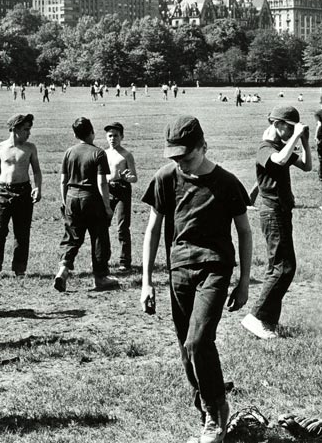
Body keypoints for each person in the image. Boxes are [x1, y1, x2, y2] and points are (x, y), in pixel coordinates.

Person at [140, 115, 252, 443]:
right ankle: (206, 415)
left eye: (187, 157)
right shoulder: (165, 179)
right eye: (175, 158)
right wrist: (147, 281)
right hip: (179, 272)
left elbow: (244, 232)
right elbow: (152, 230)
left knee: (198, 341)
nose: (182, 164)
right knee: (185, 348)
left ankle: (217, 414)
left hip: (215, 269)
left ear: (204, 147)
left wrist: (243, 281)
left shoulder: (227, 183)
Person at [242, 105, 311, 340]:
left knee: (278, 267)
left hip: (282, 212)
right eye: (289, 127)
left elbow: (307, 165)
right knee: (285, 268)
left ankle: (268, 322)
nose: (292, 132)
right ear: (277, 124)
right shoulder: (266, 148)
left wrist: (305, 141)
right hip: (272, 213)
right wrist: (296, 137)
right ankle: (257, 317)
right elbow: (279, 161)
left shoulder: (282, 145)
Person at [54, 118, 116, 292]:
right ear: (92, 132)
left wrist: (65, 201)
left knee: (72, 236)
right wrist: (107, 206)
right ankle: (100, 277)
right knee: (99, 237)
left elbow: (63, 180)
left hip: (72, 197)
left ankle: (63, 270)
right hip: (92, 199)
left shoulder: (69, 152)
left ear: (75, 134)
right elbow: (102, 182)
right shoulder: (99, 153)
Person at [0, 114, 42, 280]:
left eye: (29, 129)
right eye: (26, 129)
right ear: (15, 129)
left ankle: (19, 268)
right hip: (3, 192)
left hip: (23, 192)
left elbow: (37, 171)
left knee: (22, 232)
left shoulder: (30, 148)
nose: (28, 133)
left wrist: (37, 188)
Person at [104, 122, 137, 271]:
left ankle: (125, 261)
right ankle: (102, 258)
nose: (113, 139)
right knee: (103, 224)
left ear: (122, 137)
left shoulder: (126, 155)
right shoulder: (104, 154)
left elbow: (134, 177)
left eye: (116, 136)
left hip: (122, 189)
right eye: (110, 136)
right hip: (108, 189)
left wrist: (127, 177)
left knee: (122, 226)